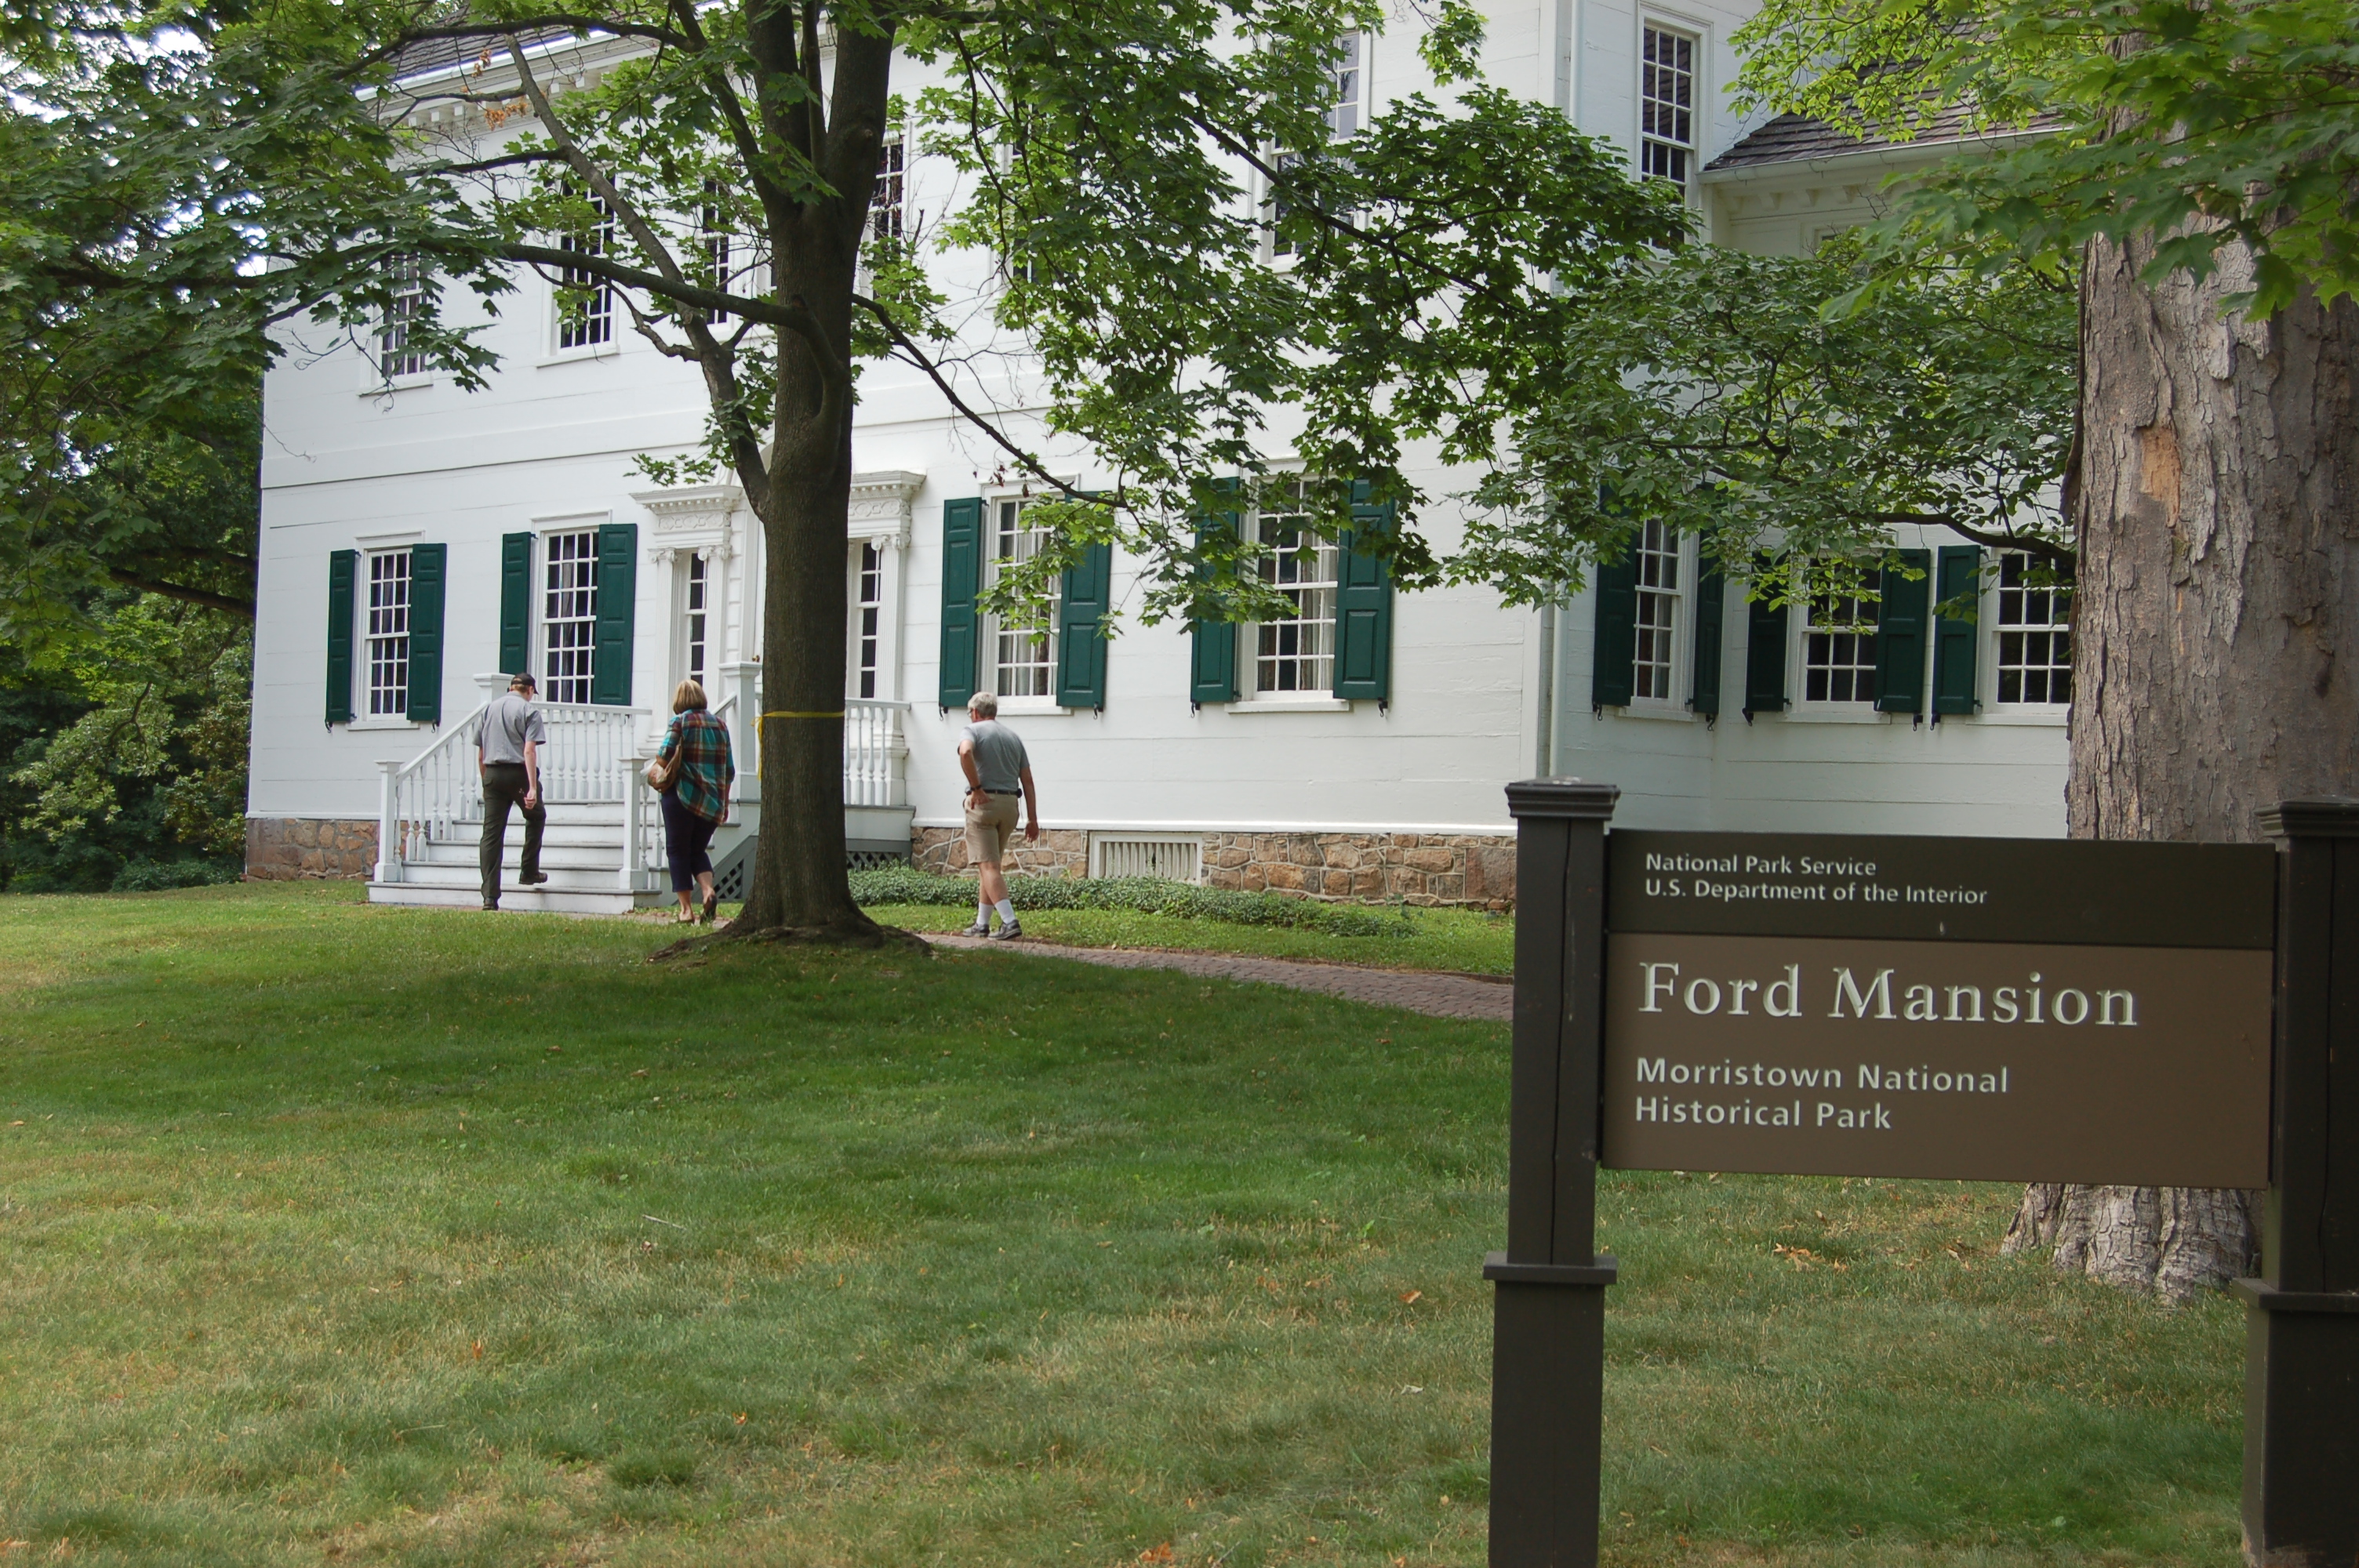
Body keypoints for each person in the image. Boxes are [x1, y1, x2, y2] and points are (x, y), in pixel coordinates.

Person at [957, 690, 1041, 939]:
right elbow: (1027, 780)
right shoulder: (1013, 737)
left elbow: (965, 752)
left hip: (984, 805)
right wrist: (1033, 819)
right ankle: (981, 923)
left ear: (974, 712)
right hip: (1010, 805)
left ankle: (1009, 921)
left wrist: (976, 788)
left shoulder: (971, 731)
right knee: (990, 866)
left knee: (989, 866)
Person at [652, 678, 735, 924]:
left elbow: (664, 755)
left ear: (679, 701)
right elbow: (729, 770)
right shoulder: (720, 725)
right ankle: (708, 891)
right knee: (697, 850)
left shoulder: (680, 721)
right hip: (712, 800)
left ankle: (686, 910)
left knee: (678, 851)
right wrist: (726, 802)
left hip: (682, 796)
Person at [478, 671, 551, 910]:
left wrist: (486, 780)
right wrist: (531, 788)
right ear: (529, 690)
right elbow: (529, 751)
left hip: (492, 773)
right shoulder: (529, 712)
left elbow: (481, 752)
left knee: (491, 835)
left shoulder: (488, 710)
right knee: (536, 815)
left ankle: (490, 896)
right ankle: (528, 871)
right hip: (518, 772)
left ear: (510, 688)